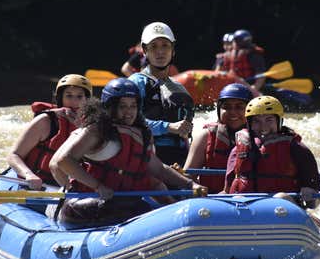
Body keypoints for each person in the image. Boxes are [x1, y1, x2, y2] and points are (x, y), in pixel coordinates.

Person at [47, 78, 206, 225]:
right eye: (122, 106)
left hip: (125, 204)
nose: (128, 112)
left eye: (133, 106)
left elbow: (157, 168)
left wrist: (190, 184)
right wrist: (98, 186)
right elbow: (63, 160)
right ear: (109, 107)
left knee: (138, 205)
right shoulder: (96, 130)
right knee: (127, 209)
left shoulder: (141, 134)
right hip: (87, 203)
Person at [224, 95, 320, 208]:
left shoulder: (298, 148)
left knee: (280, 198)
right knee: (238, 199)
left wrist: (310, 196)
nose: (263, 127)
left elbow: (315, 202)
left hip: (284, 208)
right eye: (256, 121)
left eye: (269, 120)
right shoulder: (237, 149)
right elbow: (226, 193)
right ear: (249, 124)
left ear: (279, 121)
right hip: (247, 207)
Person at [6, 74, 92, 189]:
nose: (74, 101)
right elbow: (14, 155)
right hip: (34, 184)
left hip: (65, 186)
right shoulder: (45, 121)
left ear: (87, 100)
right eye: (69, 96)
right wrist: (29, 175)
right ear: (60, 98)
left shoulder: (90, 127)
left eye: (79, 97)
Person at [128, 22, 194, 166]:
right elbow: (128, 121)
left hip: (179, 156)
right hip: (146, 153)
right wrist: (168, 127)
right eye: (154, 46)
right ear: (145, 51)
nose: (160, 52)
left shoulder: (179, 88)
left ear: (173, 50)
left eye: (165, 45)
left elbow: (185, 133)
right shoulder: (135, 83)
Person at [183, 83, 253, 193]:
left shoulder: (260, 136)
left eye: (239, 107)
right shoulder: (205, 136)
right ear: (219, 110)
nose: (233, 112)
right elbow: (188, 176)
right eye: (227, 107)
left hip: (251, 199)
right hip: (213, 200)